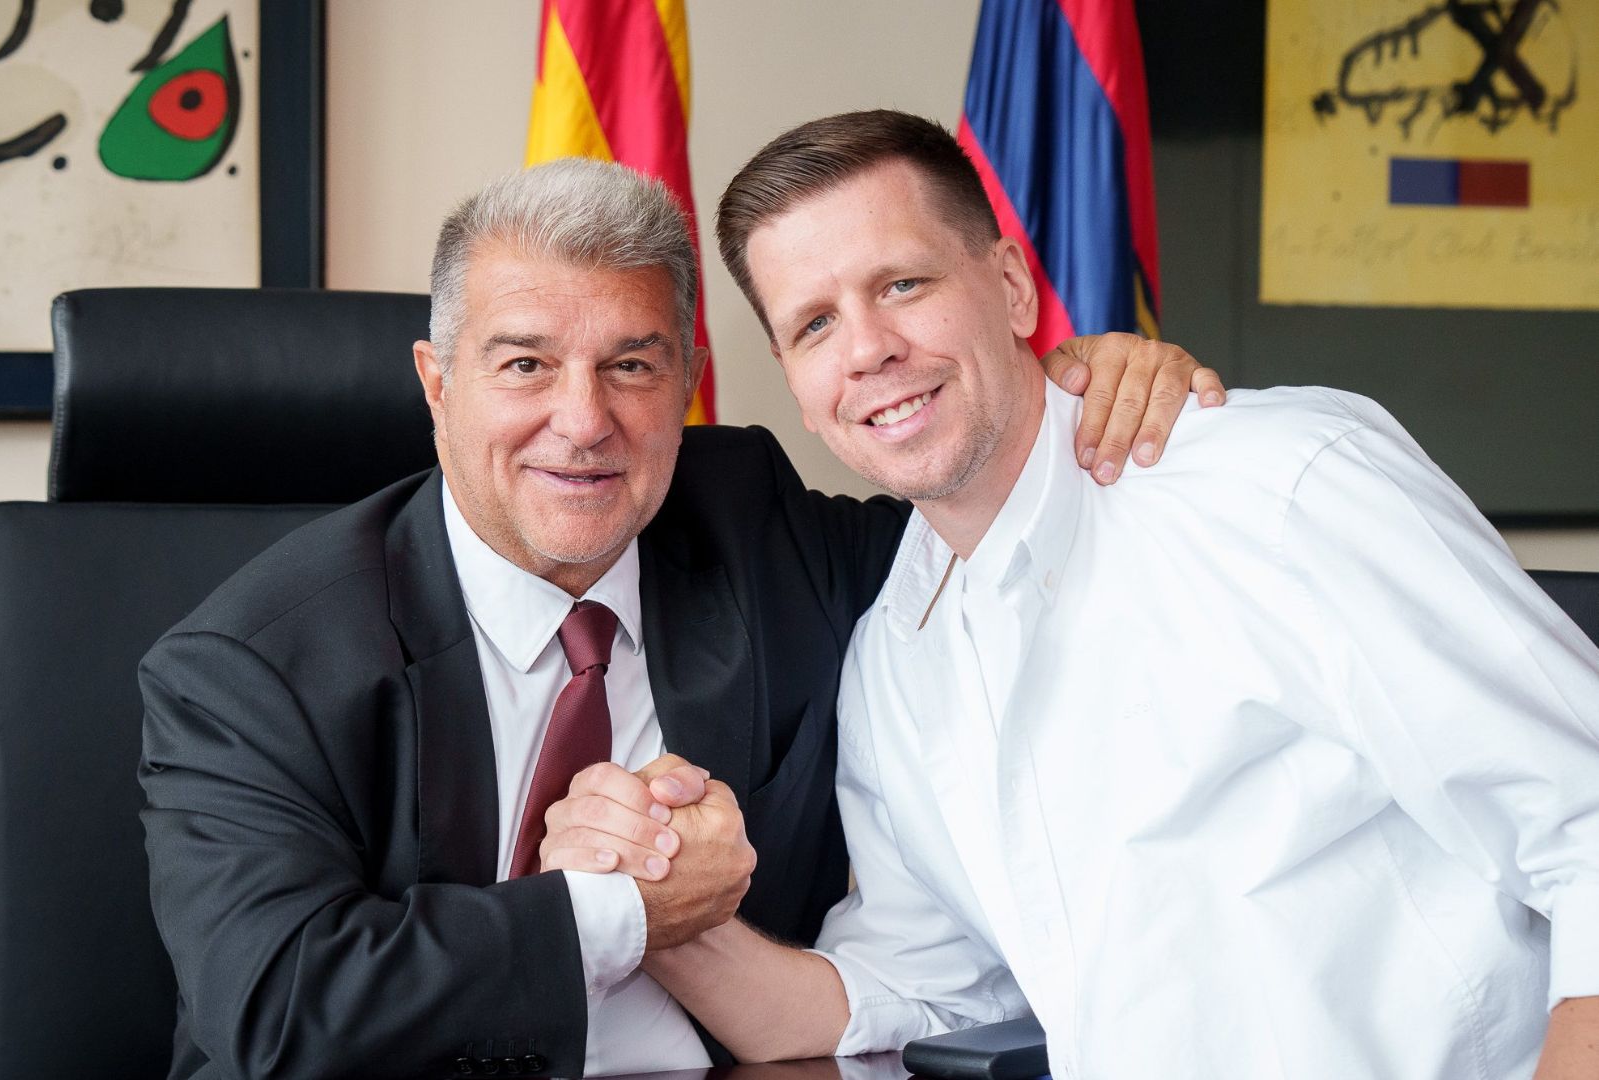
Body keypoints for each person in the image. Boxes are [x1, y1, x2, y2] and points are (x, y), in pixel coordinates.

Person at [547, 111, 1599, 1080]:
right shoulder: (896, 655)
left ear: (1008, 286)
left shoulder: (1279, 489)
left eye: (901, 285)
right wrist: (651, 893)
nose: (867, 348)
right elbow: (909, 989)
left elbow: (1585, 826)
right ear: (794, 383)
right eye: (816, 323)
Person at [136, 157, 1221, 1079]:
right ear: (435, 383)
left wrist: (1082, 393)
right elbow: (272, 1010)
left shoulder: (749, 516)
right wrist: (625, 911)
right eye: (523, 364)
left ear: (691, 380)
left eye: (631, 366)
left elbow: (990, 519)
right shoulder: (250, 664)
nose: (582, 420)